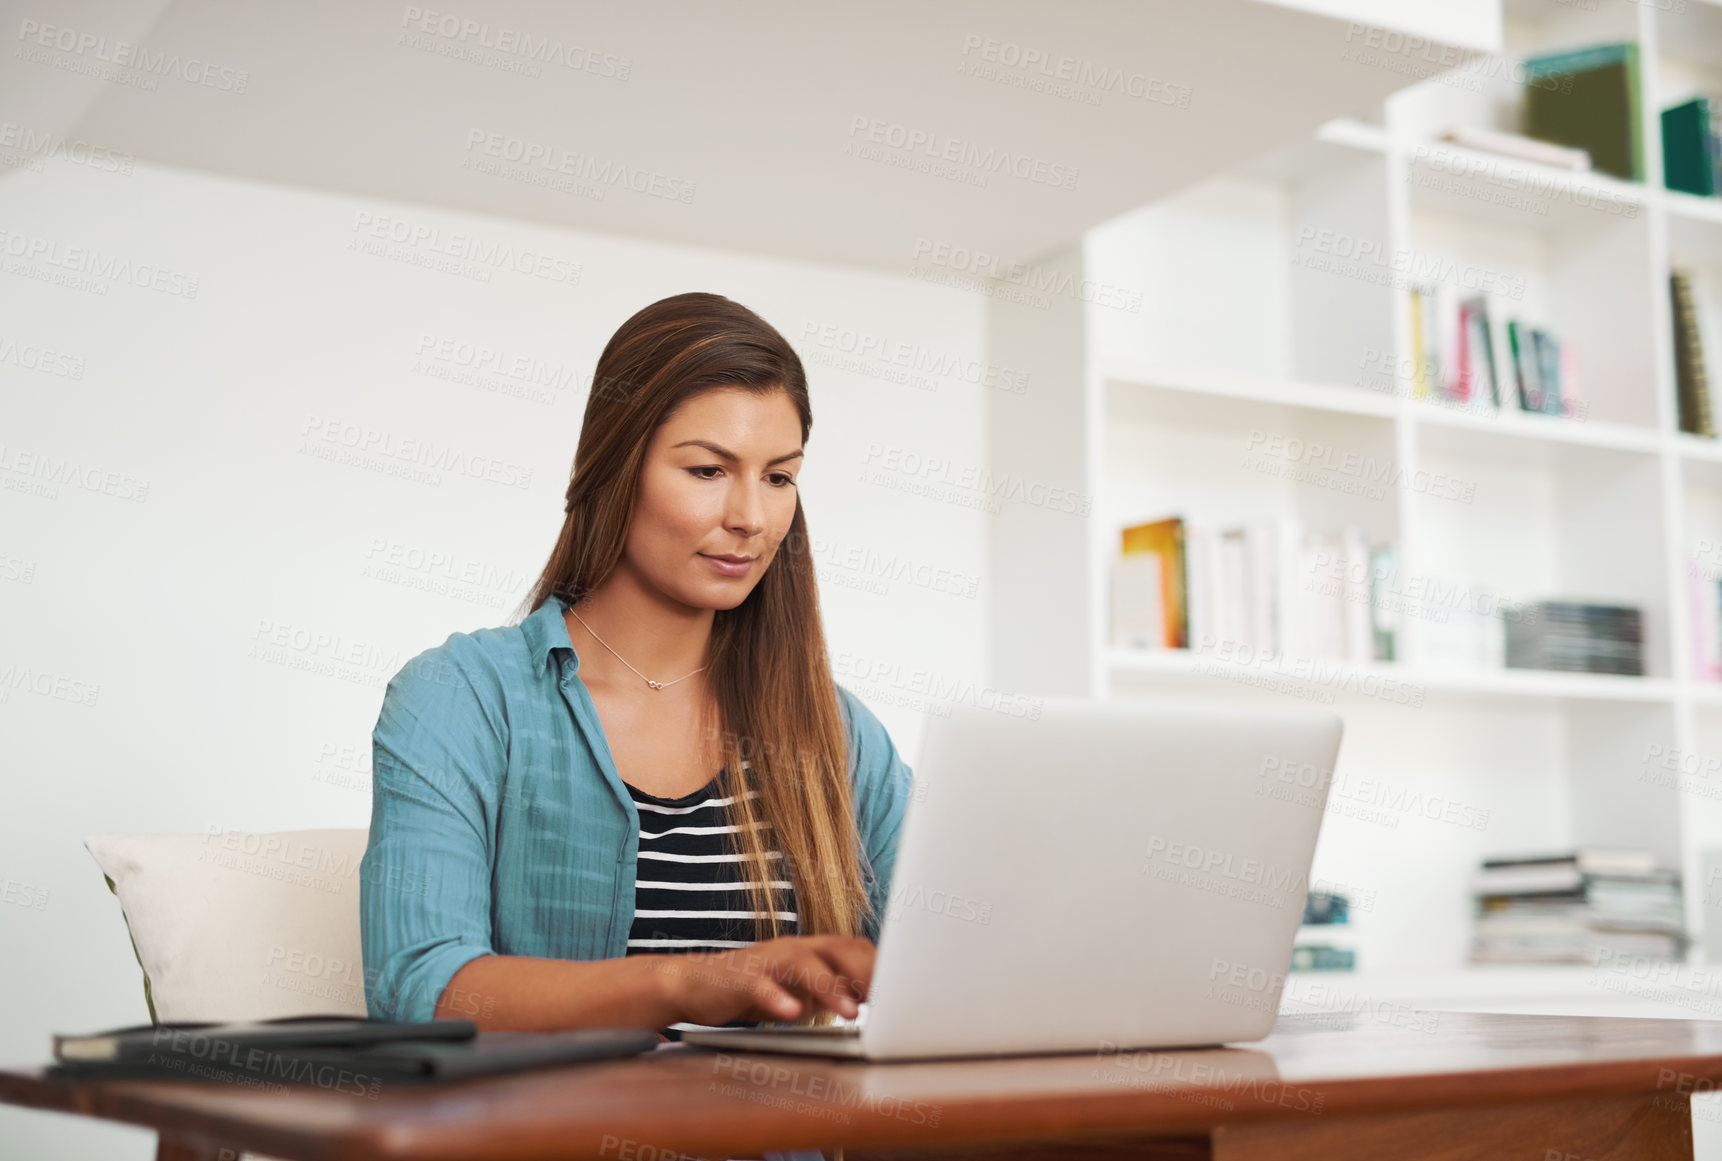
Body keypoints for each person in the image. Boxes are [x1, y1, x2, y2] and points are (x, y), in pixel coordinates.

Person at [359, 292, 916, 1037]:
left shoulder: (833, 731)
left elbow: (960, 952)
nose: (752, 516)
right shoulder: (462, 700)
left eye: (779, 477)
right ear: (617, 465)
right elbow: (419, 986)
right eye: (709, 470)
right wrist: (689, 981)